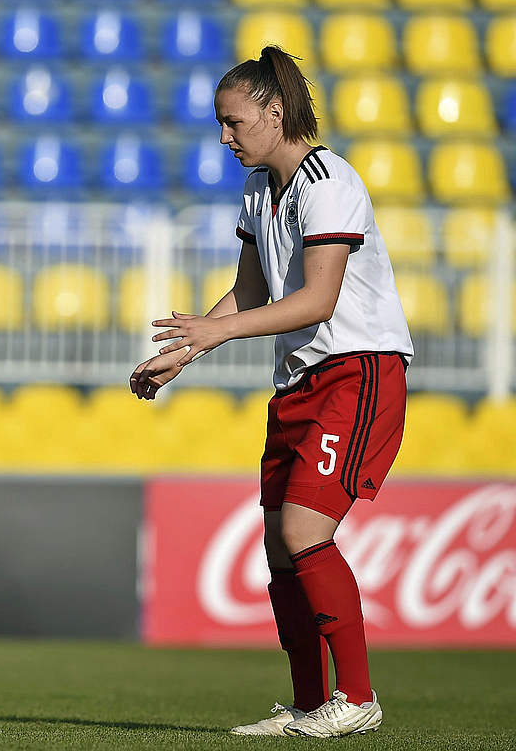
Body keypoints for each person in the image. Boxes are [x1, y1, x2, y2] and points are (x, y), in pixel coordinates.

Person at [130, 47, 411, 738]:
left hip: (357, 371)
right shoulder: (260, 191)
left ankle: (359, 697)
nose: (224, 139)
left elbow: (317, 299)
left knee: (303, 530)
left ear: (273, 110)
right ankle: (314, 706)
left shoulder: (330, 182)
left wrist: (217, 335)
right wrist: (188, 348)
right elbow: (252, 294)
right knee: (280, 549)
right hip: (299, 382)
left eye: (232, 123)